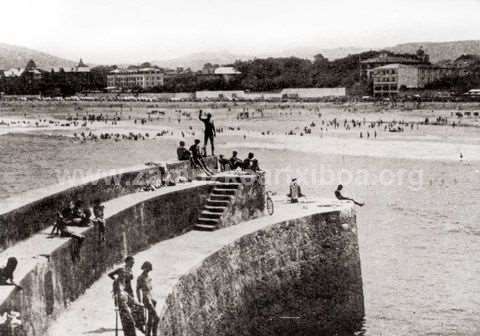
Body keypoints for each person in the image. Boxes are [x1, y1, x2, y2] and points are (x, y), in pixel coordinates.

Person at [136, 262, 159, 336]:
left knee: (150, 319)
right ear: (145, 268)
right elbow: (137, 290)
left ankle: (148, 334)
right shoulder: (140, 278)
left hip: (151, 298)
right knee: (156, 318)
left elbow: (150, 289)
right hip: (146, 299)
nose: (149, 270)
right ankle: (154, 334)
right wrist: (140, 302)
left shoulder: (149, 277)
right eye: (148, 268)